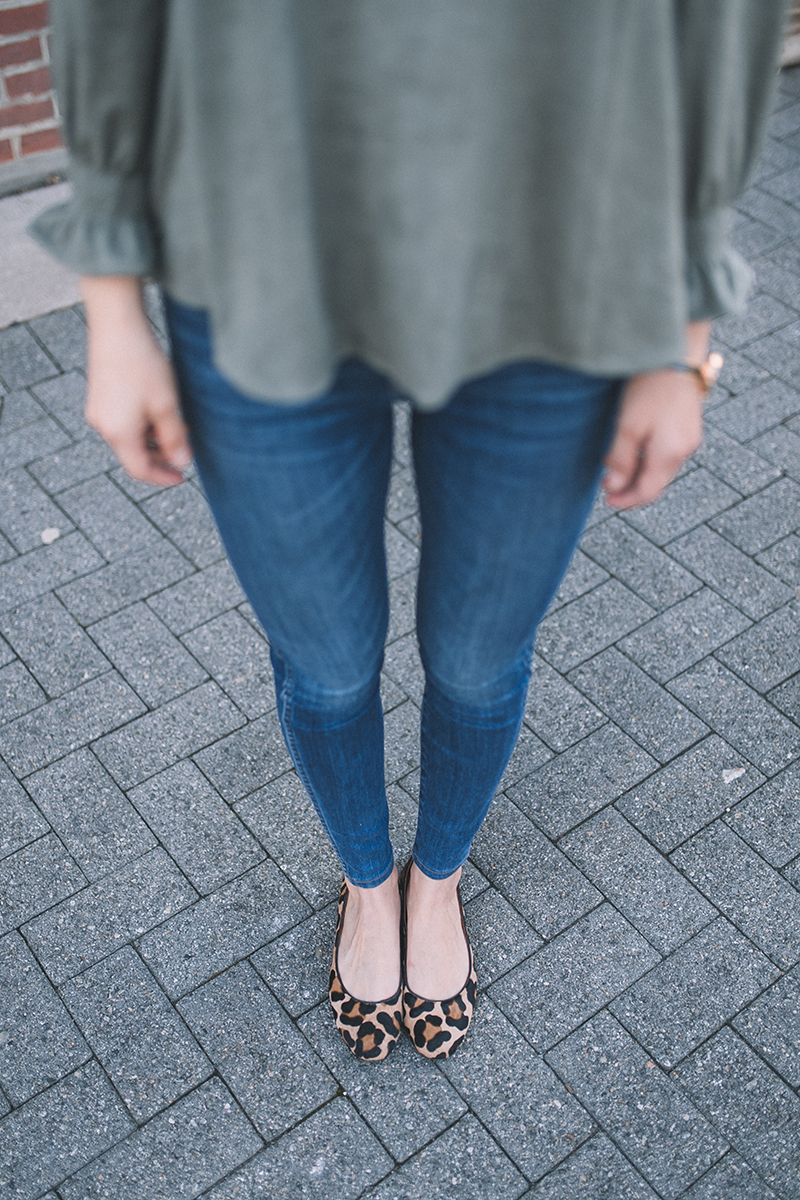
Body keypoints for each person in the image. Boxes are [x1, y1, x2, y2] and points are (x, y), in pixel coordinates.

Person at [33, 0, 786, 1061]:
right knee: (326, 662)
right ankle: (364, 882)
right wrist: (110, 308)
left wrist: (685, 331)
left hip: (550, 250)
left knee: (478, 659)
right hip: (261, 234)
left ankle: (433, 884)